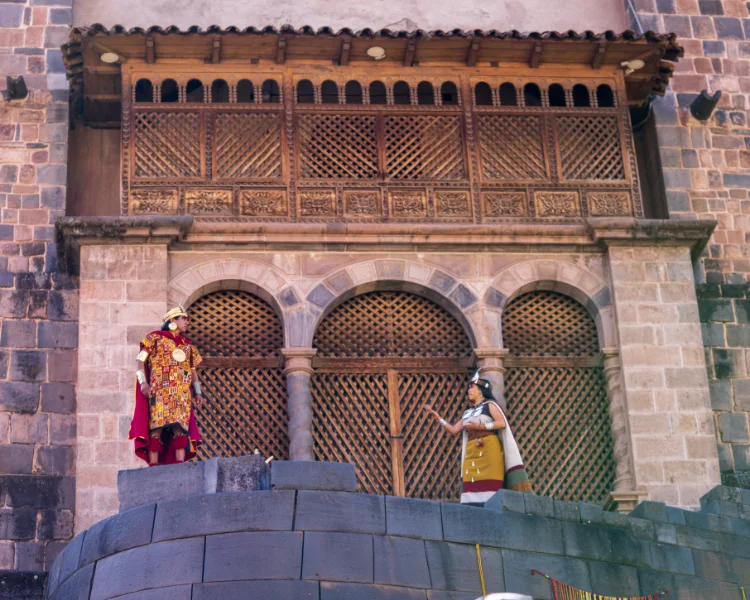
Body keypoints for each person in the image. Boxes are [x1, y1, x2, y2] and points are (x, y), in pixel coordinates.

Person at [424, 378, 531, 504]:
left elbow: (501, 423)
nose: (469, 390)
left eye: (472, 387)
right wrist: (438, 418)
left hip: (489, 448)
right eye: (468, 388)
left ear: (481, 391)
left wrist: (480, 427)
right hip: (471, 451)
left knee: (490, 484)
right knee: (471, 482)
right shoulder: (468, 413)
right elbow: (453, 430)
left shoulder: (490, 405)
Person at [129, 305, 204, 466]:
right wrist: (143, 382)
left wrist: (198, 392)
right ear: (172, 320)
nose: (186, 322)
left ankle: (179, 465)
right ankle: (154, 465)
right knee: (156, 428)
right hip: (159, 391)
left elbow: (193, 371)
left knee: (180, 429)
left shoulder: (188, 346)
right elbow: (140, 360)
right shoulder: (154, 338)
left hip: (182, 394)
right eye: (183, 318)